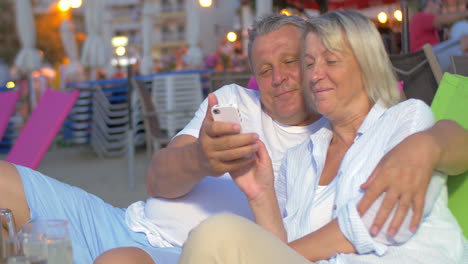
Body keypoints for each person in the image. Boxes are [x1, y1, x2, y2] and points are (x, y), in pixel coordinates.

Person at [0, 14, 466, 264]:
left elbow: (444, 137)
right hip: (125, 219)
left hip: (183, 253)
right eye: (264, 70)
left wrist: (427, 143)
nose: (286, 78)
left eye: (297, 62)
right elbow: (157, 179)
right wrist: (204, 161)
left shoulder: (385, 125)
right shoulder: (289, 140)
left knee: (155, 252)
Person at [179, 11, 467, 263]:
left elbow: (379, 222)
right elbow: (281, 248)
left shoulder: (404, 120)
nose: (315, 75)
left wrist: (269, 255)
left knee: (218, 235)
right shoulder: (301, 158)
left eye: (330, 60)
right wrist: (260, 195)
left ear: (367, 64)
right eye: (308, 63)